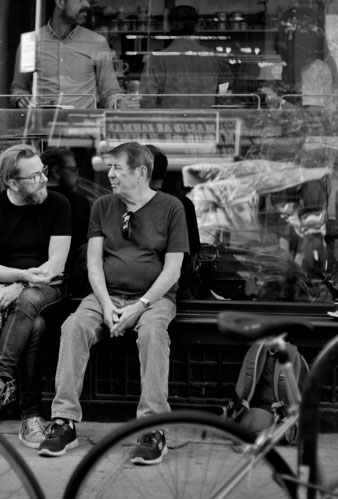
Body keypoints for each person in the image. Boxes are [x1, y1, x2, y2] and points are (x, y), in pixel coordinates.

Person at [39, 142, 188, 464]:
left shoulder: (171, 207)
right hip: (107, 293)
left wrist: (139, 306)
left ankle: (153, 428)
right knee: (74, 326)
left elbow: (173, 269)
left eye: (117, 168)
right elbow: (94, 263)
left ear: (141, 172)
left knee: (152, 334)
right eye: (110, 168)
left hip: (155, 297)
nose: (110, 174)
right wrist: (106, 305)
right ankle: (64, 421)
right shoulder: (103, 206)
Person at [0, 144, 71, 448]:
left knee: (27, 301)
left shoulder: (58, 204)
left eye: (44, 172)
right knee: (34, 326)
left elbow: (56, 264)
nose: (43, 180)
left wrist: (23, 285)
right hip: (7, 287)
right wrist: (23, 277)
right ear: (13, 183)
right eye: (35, 176)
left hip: (52, 288)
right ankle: (30, 418)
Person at [9, 0, 122, 110]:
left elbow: (109, 93)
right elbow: (19, 88)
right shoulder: (30, 41)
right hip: (43, 125)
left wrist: (118, 103)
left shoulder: (97, 42)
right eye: (80, 0)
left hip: (83, 126)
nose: (87, 4)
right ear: (60, 2)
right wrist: (20, 98)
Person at [139, 5, 233, 109]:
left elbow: (147, 101)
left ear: (170, 26)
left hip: (169, 122)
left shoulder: (156, 59)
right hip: (207, 121)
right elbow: (226, 92)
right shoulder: (216, 58)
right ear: (197, 26)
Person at [147, 144, 201, 299]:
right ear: (164, 173)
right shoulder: (182, 204)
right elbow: (192, 255)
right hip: (174, 291)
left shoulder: (122, 204)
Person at [42, 147, 91, 286]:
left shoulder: (27, 201)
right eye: (73, 170)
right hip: (69, 280)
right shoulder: (78, 203)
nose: (77, 176)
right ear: (56, 171)